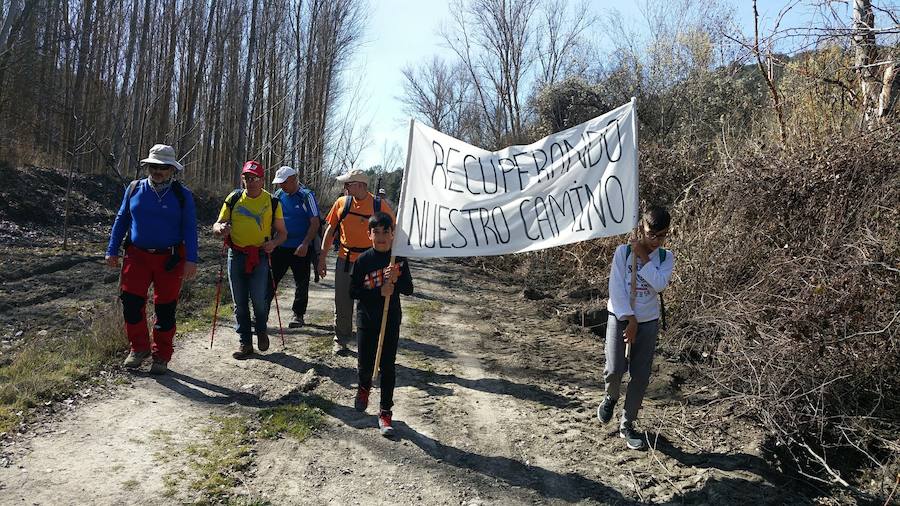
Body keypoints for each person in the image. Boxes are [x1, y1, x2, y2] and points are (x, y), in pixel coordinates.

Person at [105, 144, 198, 375]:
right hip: (136, 256)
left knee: (165, 309)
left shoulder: (182, 195)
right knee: (131, 304)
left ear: (172, 169)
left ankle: (161, 355)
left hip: (170, 259)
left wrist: (192, 259)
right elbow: (121, 219)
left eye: (163, 167)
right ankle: (139, 348)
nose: (158, 171)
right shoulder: (134, 189)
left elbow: (190, 229)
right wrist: (112, 249)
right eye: (153, 166)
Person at [596, 206, 675, 450]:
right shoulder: (623, 252)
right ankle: (611, 396)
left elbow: (659, 285)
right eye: (651, 234)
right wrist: (629, 319)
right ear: (642, 228)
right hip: (620, 316)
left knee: (640, 376)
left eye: (661, 235)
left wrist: (644, 256)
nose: (656, 240)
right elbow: (616, 288)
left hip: (648, 320)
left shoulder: (666, 257)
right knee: (615, 368)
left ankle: (627, 423)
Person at [212, 161, 287, 359]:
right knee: (240, 302)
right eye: (247, 178)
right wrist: (220, 229)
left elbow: (282, 233)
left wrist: (274, 243)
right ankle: (245, 343)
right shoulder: (234, 198)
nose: (251, 182)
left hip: (260, 256)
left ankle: (261, 329)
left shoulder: (272, 202)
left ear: (262, 180)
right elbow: (217, 224)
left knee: (259, 300)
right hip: (236, 254)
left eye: (255, 178)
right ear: (242, 179)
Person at [317, 169, 394, 356]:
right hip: (345, 259)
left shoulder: (379, 205)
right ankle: (341, 339)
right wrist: (322, 257)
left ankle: (369, 342)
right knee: (343, 301)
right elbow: (330, 230)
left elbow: (394, 230)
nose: (344, 187)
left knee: (370, 303)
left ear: (359, 185)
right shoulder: (341, 203)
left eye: (347, 184)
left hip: (371, 262)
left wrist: (390, 259)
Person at [350, 212, 413, 437]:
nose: (381, 237)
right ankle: (364, 388)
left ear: (393, 234)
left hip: (391, 319)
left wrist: (396, 280)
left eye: (386, 232)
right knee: (365, 363)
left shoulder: (399, 259)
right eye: (376, 232)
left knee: (388, 366)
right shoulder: (363, 260)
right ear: (369, 235)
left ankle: (385, 412)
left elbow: (409, 289)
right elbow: (353, 291)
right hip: (366, 319)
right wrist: (379, 291)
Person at [269, 166, 320, 328]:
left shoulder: (307, 196)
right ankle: (261, 312)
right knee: (270, 280)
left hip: (301, 246)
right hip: (280, 245)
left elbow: (315, 222)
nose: (281, 185)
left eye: (284, 182)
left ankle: (298, 315)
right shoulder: (278, 195)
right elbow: (271, 219)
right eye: (279, 183)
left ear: (293, 179)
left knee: (301, 282)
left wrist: (305, 243)